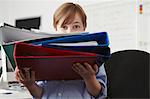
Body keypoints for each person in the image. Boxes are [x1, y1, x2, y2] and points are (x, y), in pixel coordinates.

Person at [15, 2, 107, 99]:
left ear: (84, 27)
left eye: (76, 26)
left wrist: (89, 78)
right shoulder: (44, 53)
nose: (69, 32)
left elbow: (98, 94)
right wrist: (30, 85)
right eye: (64, 27)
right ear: (56, 29)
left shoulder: (94, 54)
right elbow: (41, 94)